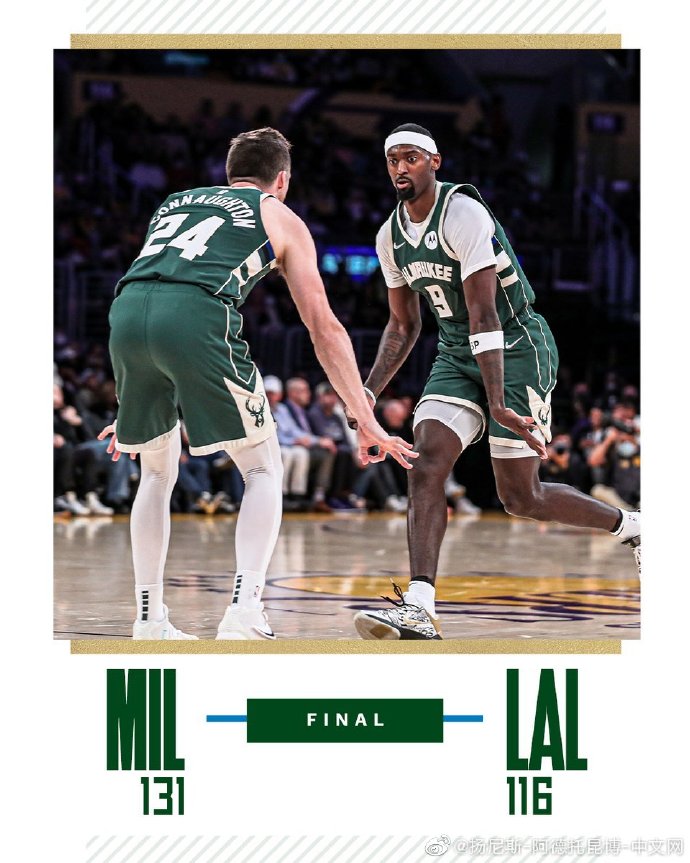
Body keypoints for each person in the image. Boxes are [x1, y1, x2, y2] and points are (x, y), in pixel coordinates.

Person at [99, 127, 417, 641]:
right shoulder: (280, 215)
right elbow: (323, 327)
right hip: (196, 314)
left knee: (155, 473)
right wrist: (365, 418)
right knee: (263, 467)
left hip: (127, 313)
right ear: (282, 180)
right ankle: (245, 613)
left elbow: (158, 287)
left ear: (230, 174)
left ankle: (149, 621)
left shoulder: (176, 201)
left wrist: (131, 405)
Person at [348, 123, 641, 641]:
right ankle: (419, 606)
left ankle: (634, 527)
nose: (400, 168)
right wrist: (366, 394)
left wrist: (499, 403)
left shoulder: (463, 212)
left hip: (518, 347)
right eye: (393, 159)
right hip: (456, 352)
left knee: (522, 498)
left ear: (434, 162)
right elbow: (402, 325)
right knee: (425, 462)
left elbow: (486, 316)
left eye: (411, 157)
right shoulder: (389, 237)